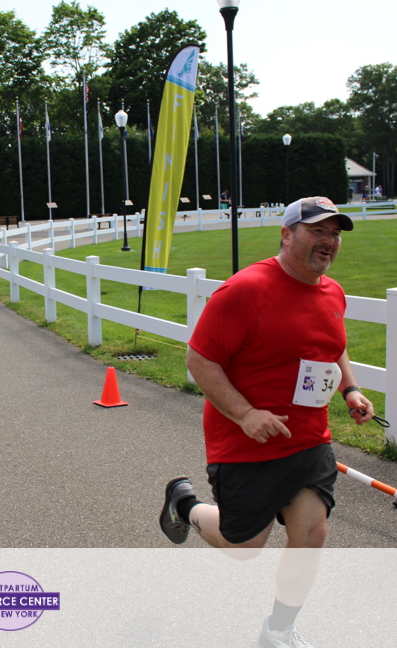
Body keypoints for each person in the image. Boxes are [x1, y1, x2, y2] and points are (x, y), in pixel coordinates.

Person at [159, 196, 376, 647]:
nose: (328, 241)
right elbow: (199, 359)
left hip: (309, 439)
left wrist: (350, 389)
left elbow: (333, 348)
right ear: (287, 234)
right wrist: (245, 414)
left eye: (334, 233)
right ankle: (185, 504)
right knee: (243, 547)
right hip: (247, 443)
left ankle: (278, 629)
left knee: (312, 532)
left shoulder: (332, 292)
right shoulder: (246, 290)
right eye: (317, 231)